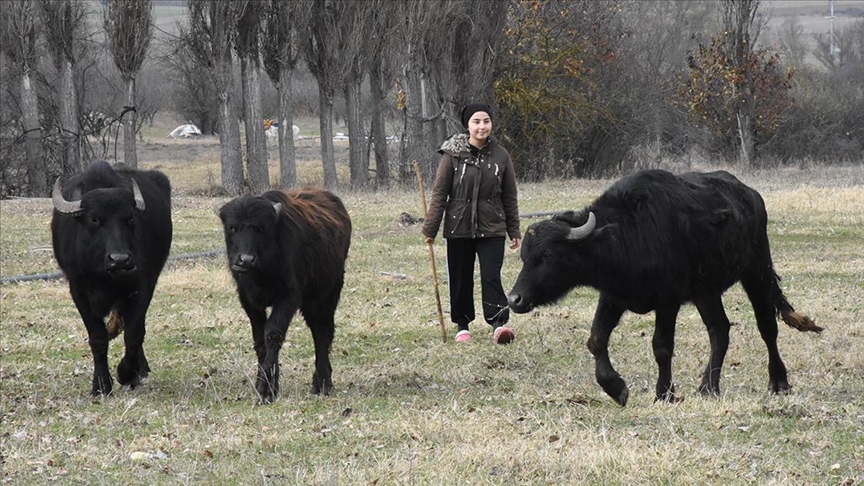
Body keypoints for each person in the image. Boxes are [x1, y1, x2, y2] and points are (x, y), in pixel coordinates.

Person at [422, 103, 521, 344]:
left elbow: (509, 195)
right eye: (476, 122)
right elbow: (439, 193)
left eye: (486, 121)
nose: (482, 126)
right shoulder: (452, 155)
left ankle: (499, 324)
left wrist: (514, 229)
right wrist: (431, 228)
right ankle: (462, 326)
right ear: (467, 125)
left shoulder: (501, 155)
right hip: (458, 227)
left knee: (491, 276)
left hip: (492, 227)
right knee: (460, 277)